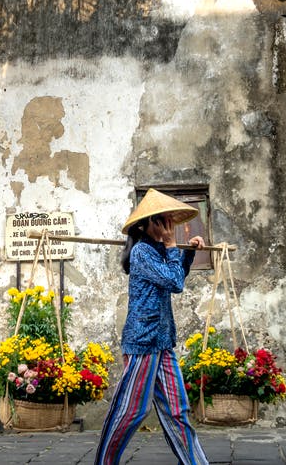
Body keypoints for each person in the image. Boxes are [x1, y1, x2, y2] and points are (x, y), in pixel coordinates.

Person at [95, 189, 208, 465]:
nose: (169, 227)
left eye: (169, 221)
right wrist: (172, 248)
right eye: (162, 221)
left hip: (163, 342)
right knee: (130, 411)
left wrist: (189, 253)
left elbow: (175, 274)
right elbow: (175, 282)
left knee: (178, 411)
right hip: (143, 342)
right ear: (147, 225)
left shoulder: (158, 251)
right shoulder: (143, 253)